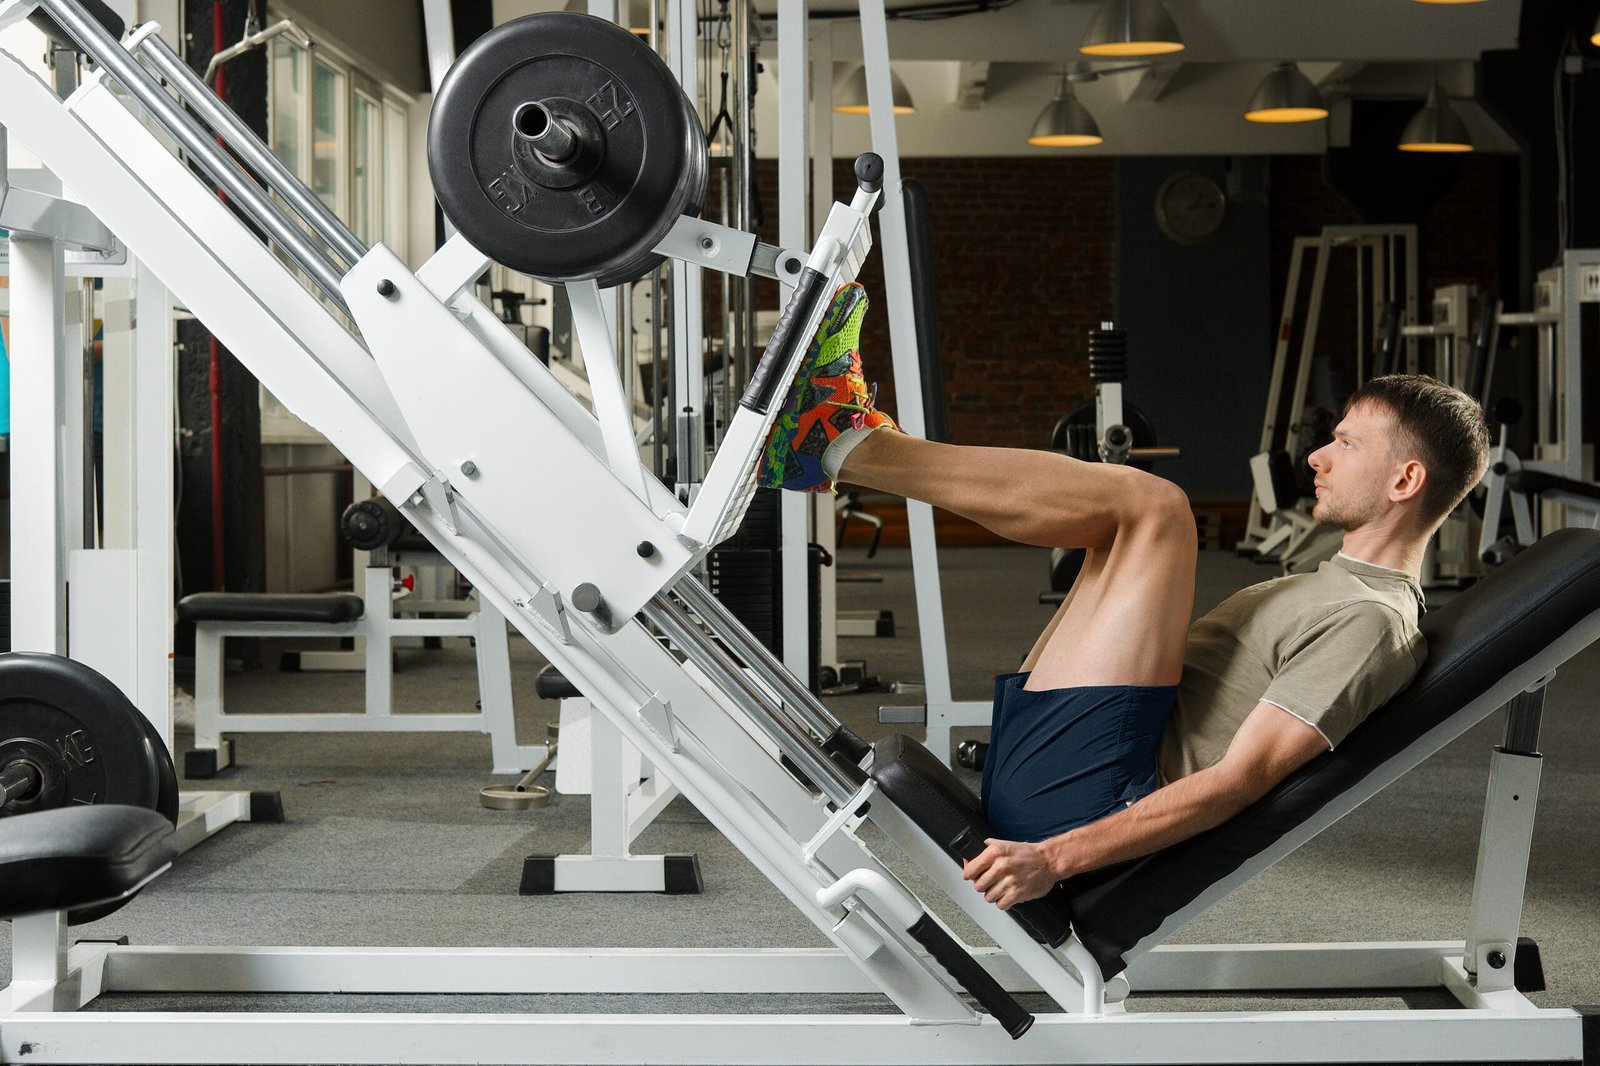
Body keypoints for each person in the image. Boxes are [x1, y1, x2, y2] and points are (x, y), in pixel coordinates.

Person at [758, 283, 1490, 910]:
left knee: (1158, 509)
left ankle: (844, 444)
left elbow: (1240, 782)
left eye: (1349, 446)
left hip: (1086, 800)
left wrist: (1055, 860)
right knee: (1115, 525)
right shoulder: (1340, 587)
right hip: (1071, 762)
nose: (1316, 457)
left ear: (1405, 483)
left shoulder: (1371, 622)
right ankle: (842, 445)